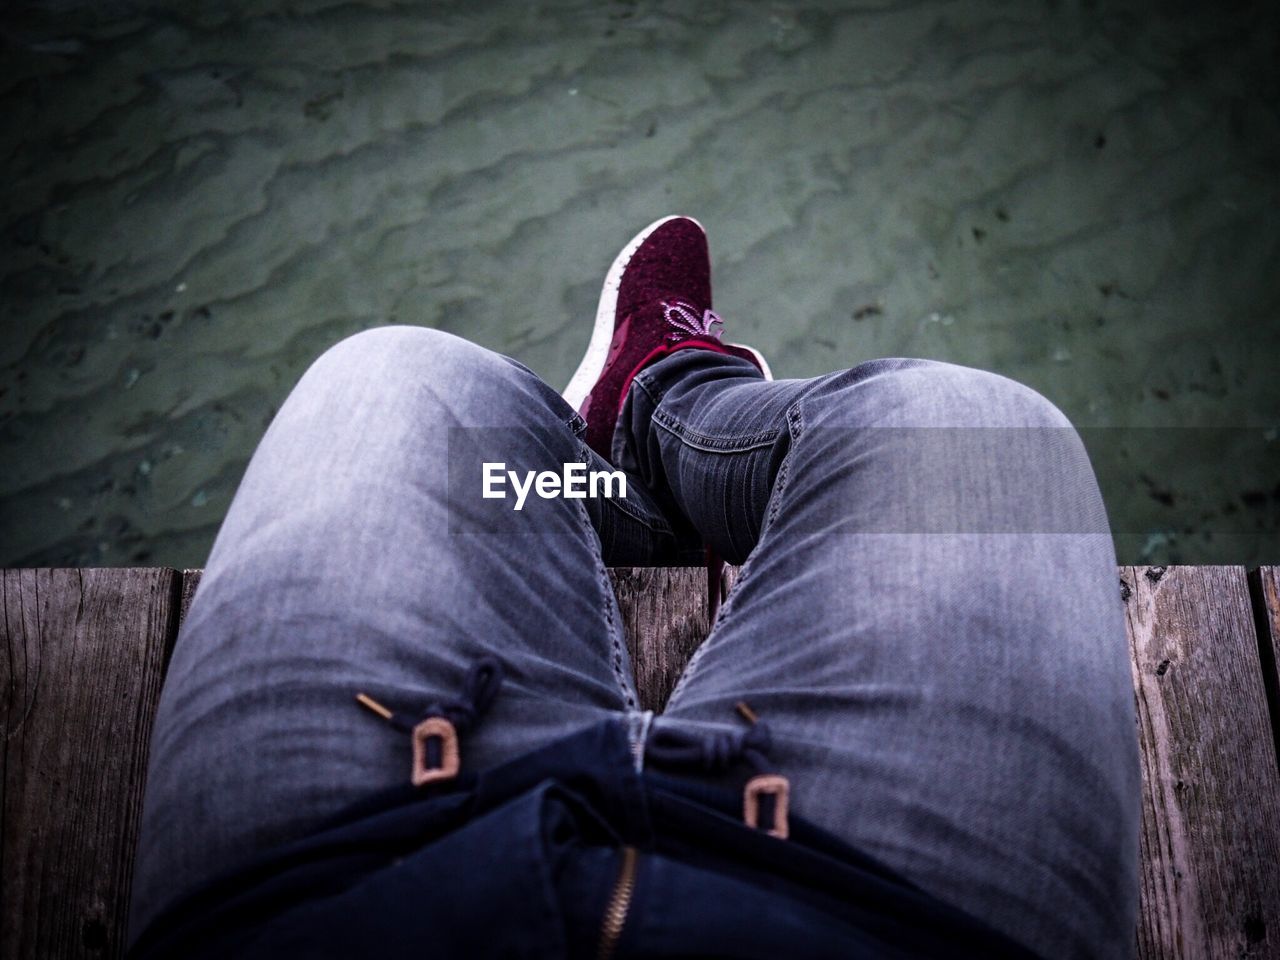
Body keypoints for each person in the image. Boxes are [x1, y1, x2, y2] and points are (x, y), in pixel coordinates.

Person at [127, 216, 1140, 959]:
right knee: (973, 428)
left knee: (403, 378)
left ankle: (628, 439)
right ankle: (668, 400)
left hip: (338, 895)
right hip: (876, 921)